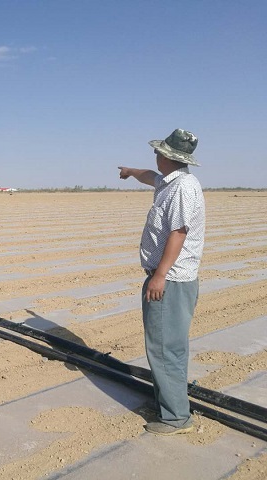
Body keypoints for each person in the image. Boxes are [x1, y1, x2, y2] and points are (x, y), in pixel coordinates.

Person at [118, 128, 205, 436]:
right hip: (174, 279)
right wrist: (130, 172)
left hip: (170, 281)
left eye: (159, 152)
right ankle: (171, 404)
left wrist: (159, 276)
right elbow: (149, 176)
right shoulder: (170, 181)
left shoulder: (182, 188)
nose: (155, 155)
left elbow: (178, 233)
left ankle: (176, 418)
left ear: (168, 157)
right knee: (170, 347)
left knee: (165, 349)